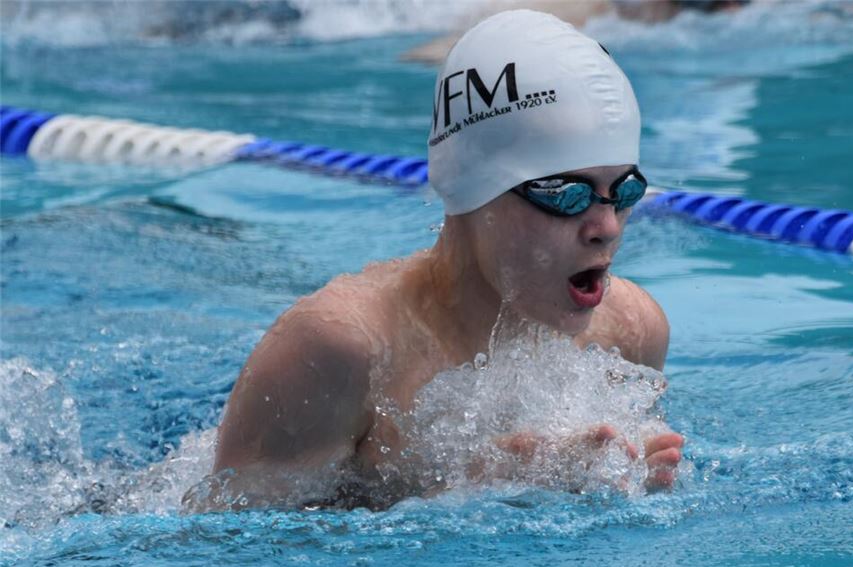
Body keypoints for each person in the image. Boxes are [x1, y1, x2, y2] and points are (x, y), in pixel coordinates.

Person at [186, 9, 684, 512]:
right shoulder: (342, 350)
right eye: (565, 194)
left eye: (625, 190)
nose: (607, 226)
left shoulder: (631, 331)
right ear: (474, 189)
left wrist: (624, 479)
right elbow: (221, 546)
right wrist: (463, 493)